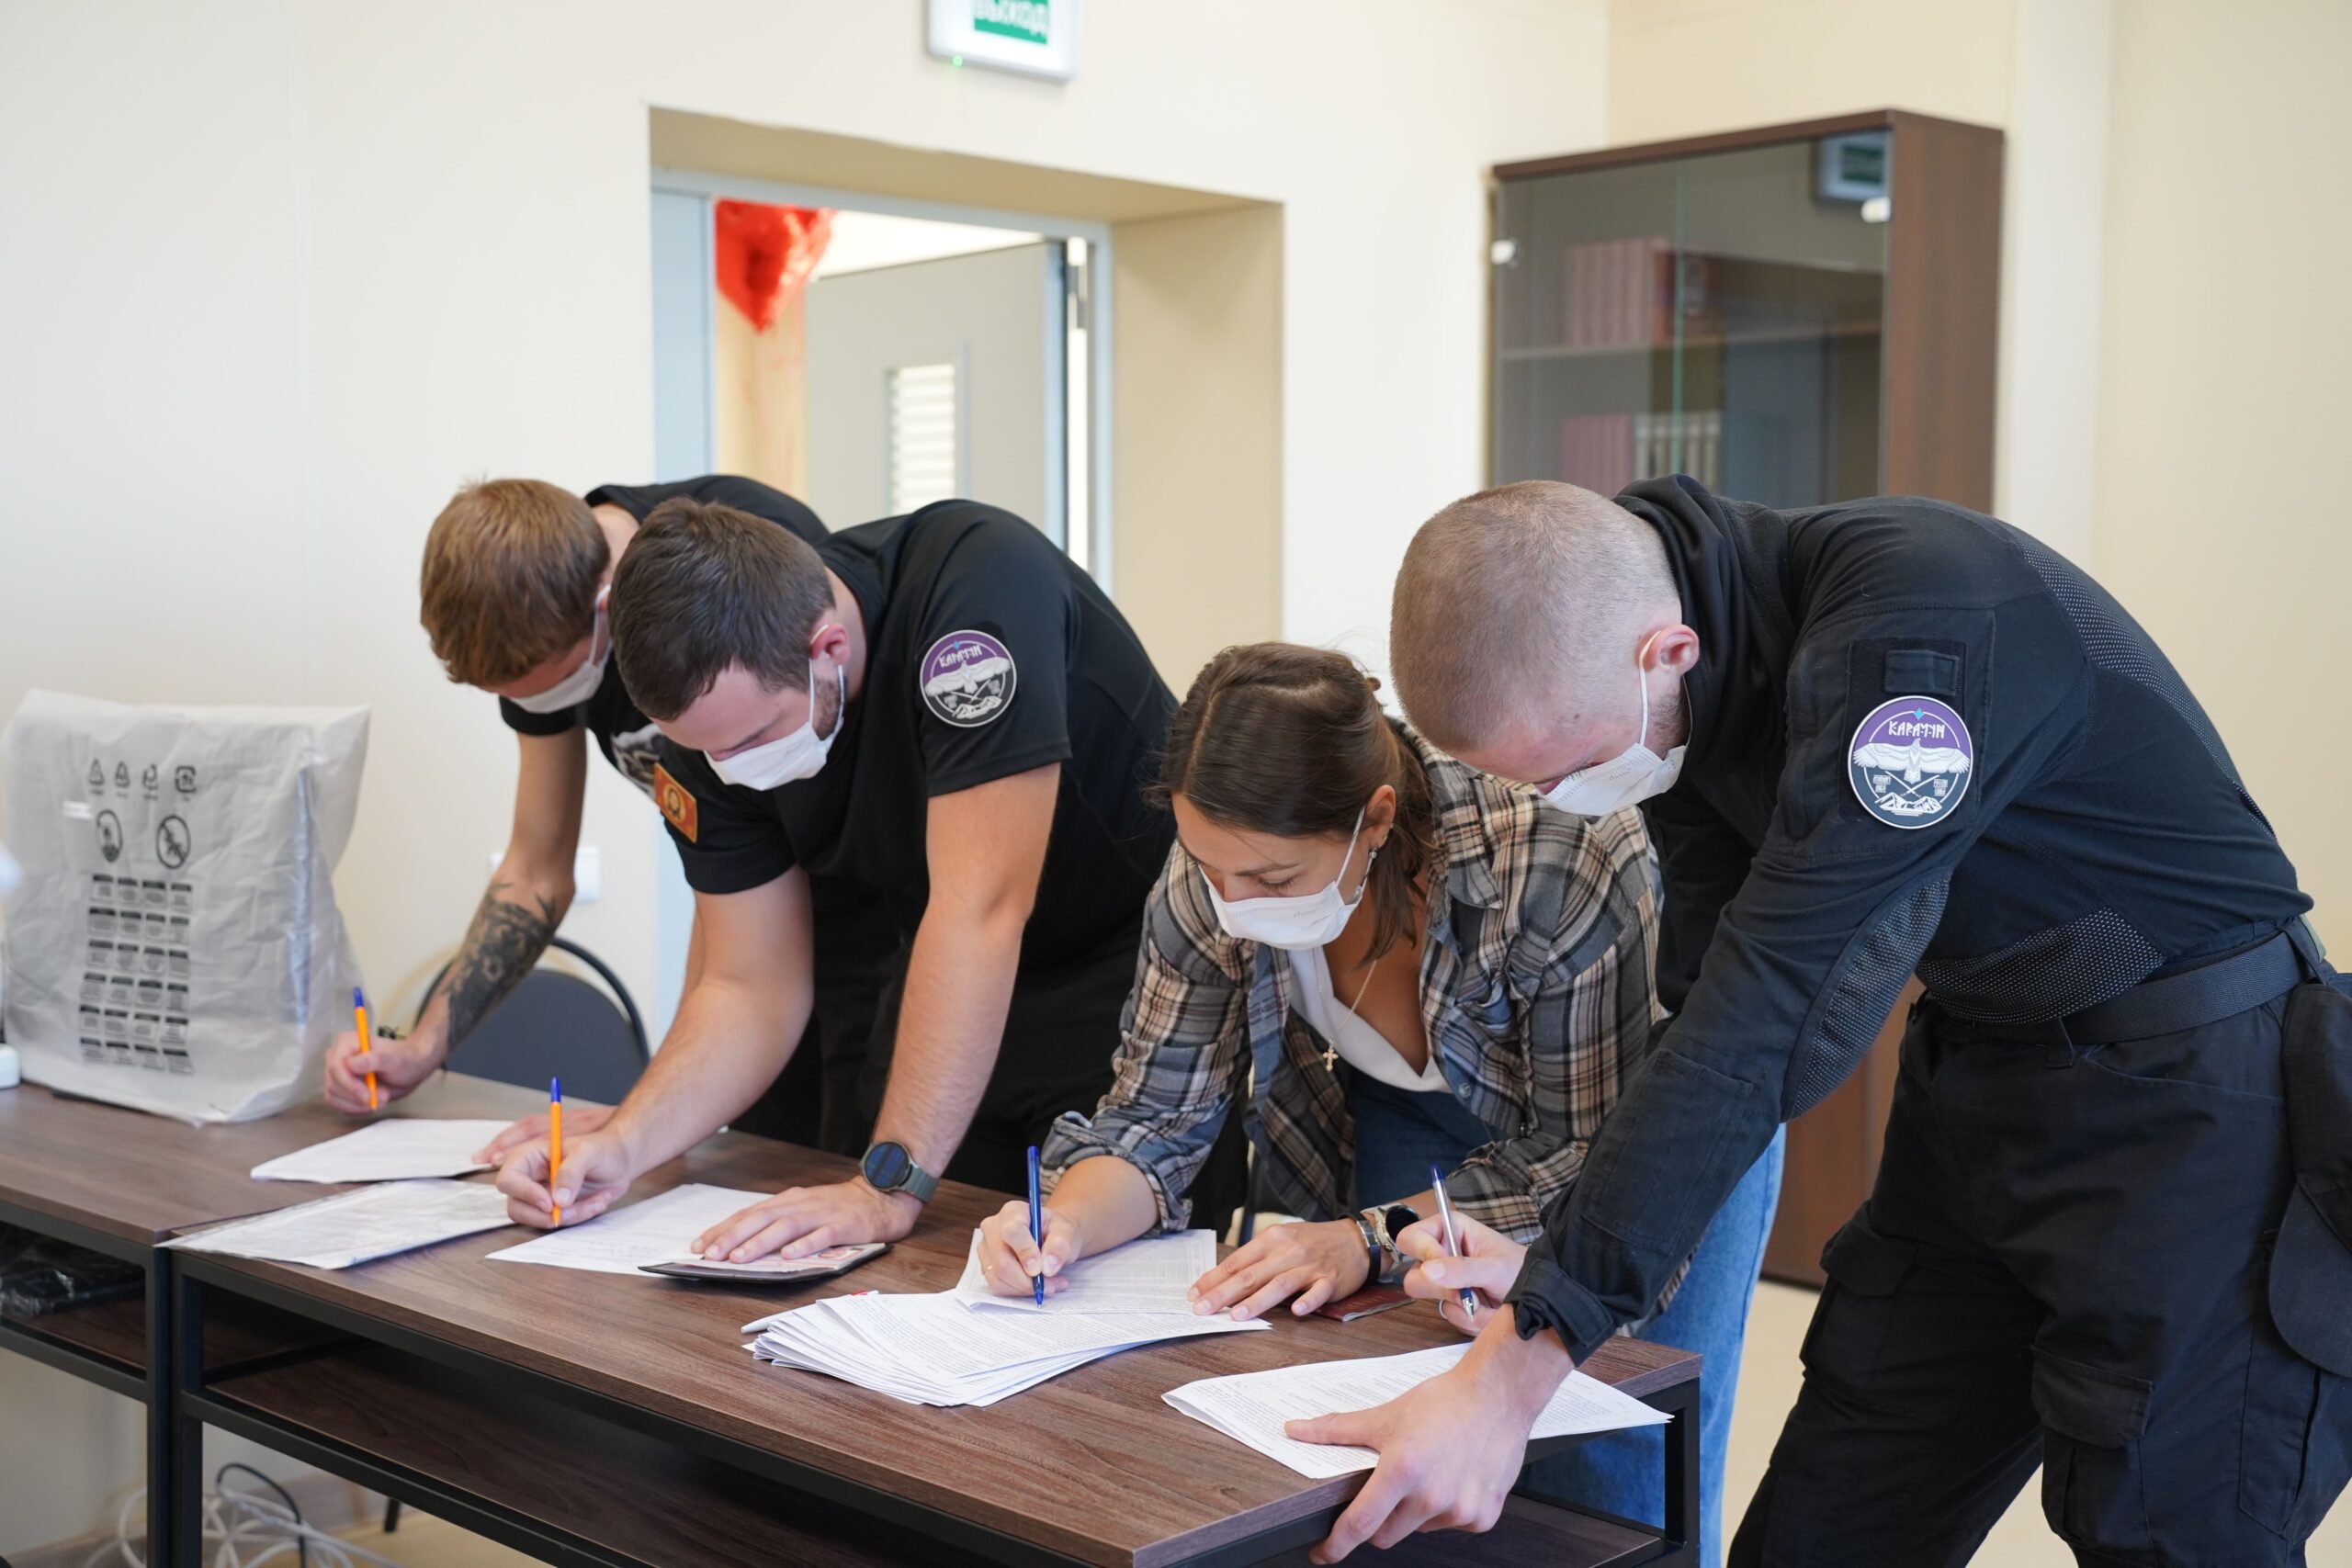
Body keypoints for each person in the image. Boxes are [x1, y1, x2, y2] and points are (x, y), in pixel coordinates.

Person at [1290, 477, 2351, 1567]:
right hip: (1982, 1080)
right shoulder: (1689, 700)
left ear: (1665, 652)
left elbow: (1770, 1014)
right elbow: (1702, 1019)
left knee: (2164, 1532)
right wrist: (1558, 1264)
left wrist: (1516, 1369)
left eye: (1572, 768)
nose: (1568, 799)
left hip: (2201, 1108)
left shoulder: (1919, 645)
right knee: (1827, 1523)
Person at [967, 643, 1780, 1547]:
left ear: (1377, 817)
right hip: (1413, 1120)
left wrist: (1365, 1237)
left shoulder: (1558, 853)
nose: (1232, 905)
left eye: (1271, 881)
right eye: (1209, 869)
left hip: (1654, 1132)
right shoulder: (1219, 866)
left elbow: (1582, 1155)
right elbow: (1155, 1117)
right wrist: (1064, 1225)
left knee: (1615, 1455)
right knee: (1407, 1424)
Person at [490, 494, 1241, 1258]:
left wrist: (888, 1186)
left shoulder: (976, 599)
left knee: (1101, 1275)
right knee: (929, 1270)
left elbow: (979, 910)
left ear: (829, 647)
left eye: (755, 737)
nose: (733, 770)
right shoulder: (710, 732)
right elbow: (747, 984)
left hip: (1139, 978)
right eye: (710, 752)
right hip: (945, 976)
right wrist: (623, 1145)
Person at [324, 475, 890, 1154]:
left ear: (606, 607)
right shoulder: (532, 622)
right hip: (751, 919)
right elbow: (537, 868)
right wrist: (423, 1045)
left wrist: (647, 1112)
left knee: (862, 1151)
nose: (544, 706)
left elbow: (770, 837)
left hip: (870, 903)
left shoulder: (732, 555)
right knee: (754, 1155)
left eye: (557, 685)